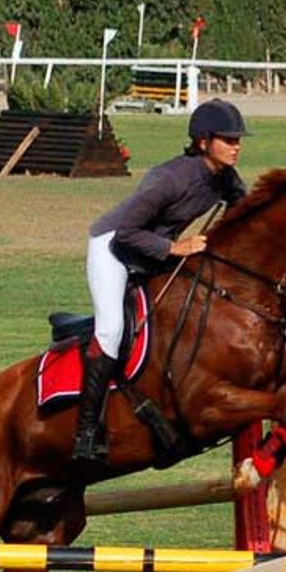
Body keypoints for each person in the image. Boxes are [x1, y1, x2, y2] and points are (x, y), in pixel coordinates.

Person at [74, 98, 252, 464]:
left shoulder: (224, 178)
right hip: (113, 247)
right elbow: (126, 232)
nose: (236, 145)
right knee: (111, 331)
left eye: (238, 139)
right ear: (203, 141)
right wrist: (176, 247)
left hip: (151, 249)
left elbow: (245, 213)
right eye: (228, 139)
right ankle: (86, 433)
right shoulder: (170, 179)